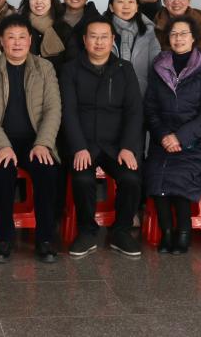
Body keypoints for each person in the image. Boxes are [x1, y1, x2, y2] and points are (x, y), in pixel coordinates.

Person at [0, 14, 62, 263]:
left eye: (22, 37)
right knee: (2, 173)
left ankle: (45, 239)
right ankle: (5, 238)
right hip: (0, 141)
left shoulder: (45, 68)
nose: (17, 42)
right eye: (11, 37)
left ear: (30, 40)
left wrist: (43, 143)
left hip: (36, 141)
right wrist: (2, 146)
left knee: (47, 171)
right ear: (1, 41)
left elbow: (53, 109)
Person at [59, 18, 143, 257]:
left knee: (131, 178)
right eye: (93, 36)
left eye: (104, 37)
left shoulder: (124, 68)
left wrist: (128, 147)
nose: (99, 42)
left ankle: (121, 231)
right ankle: (87, 232)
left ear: (112, 40)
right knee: (82, 179)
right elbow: (68, 112)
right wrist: (78, 147)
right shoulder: (70, 69)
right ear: (85, 40)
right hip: (84, 144)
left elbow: (135, 111)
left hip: (116, 145)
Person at [144, 15, 201, 254]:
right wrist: (164, 135)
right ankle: (167, 232)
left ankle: (184, 231)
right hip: (163, 139)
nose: (178, 38)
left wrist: (180, 137)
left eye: (183, 34)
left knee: (180, 174)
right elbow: (151, 108)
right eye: (174, 34)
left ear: (193, 37)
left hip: (196, 140)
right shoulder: (159, 65)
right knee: (156, 174)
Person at [104, 0, 160, 96]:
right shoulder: (100, 31)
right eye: (120, 1)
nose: (126, 6)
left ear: (137, 7)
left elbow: (156, 66)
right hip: (107, 95)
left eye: (131, 1)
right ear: (111, 7)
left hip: (142, 95)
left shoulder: (149, 33)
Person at [19, 0, 75, 70]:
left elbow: (72, 64)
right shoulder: (19, 27)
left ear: (51, 0)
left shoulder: (64, 29)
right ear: (28, 0)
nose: (38, 1)